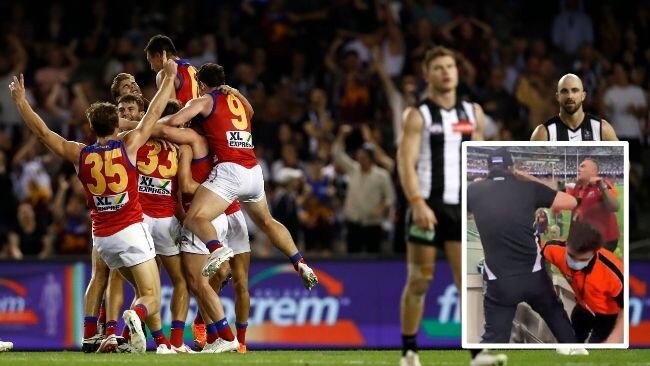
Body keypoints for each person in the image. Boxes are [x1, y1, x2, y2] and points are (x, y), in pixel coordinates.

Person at [8, 51, 177, 354]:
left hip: (102, 238)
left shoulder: (79, 153)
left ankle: (91, 335)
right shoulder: (130, 145)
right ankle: (134, 318)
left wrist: (21, 102)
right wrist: (169, 76)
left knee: (104, 278)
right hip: (131, 230)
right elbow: (153, 114)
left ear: (91, 127)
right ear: (116, 123)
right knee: (150, 295)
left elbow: (44, 132)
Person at [159, 63, 318, 290]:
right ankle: (300, 262)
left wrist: (151, 125)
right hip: (254, 172)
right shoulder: (238, 101)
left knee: (195, 219)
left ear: (201, 84)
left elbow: (175, 121)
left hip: (230, 171)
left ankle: (217, 249)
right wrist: (236, 92)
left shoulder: (204, 100)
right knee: (267, 221)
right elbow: (251, 112)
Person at [397, 46, 487, 366]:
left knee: (470, 283)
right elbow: (405, 162)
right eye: (438, 68)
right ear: (427, 74)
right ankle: (409, 351)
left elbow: (478, 160)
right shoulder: (418, 114)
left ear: (458, 72)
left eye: (450, 66)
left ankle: (478, 353)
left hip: (463, 207)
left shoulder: (473, 113)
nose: (446, 72)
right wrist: (417, 202)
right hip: (428, 207)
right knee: (420, 279)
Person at [99, 94, 192, 354]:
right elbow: (183, 188)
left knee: (127, 280)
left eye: (131, 110)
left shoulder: (132, 139)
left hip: (136, 221)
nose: (127, 114)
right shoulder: (182, 145)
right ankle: (173, 343)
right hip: (164, 221)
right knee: (177, 282)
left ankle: (115, 334)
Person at [468, 148, 578, 344]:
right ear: (511, 167)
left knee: (493, 340)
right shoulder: (529, 188)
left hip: (499, 280)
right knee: (559, 323)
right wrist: (525, 178)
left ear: (487, 168)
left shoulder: (474, 191)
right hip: (534, 276)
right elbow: (570, 202)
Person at [541, 221, 624, 343]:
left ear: (595, 251)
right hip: (582, 307)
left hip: (607, 316)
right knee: (575, 332)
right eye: (571, 255)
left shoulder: (613, 273)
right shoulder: (555, 250)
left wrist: (615, 336)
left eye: (583, 259)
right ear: (567, 243)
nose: (575, 263)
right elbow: (534, 250)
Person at [531, 73, 618, 141]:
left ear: (583, 96)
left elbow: (624, 161)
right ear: (557, 97)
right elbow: (528, 163)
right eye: (564, 91)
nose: (570, 96)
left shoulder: (602, 128)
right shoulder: (543, 133)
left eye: (575, 90)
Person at [566, 158, 620, 251]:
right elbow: (574, 214)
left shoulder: (604, 184)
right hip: (587, 238)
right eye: (579, 166)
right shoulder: (577, 187)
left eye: (583, 166)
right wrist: (570, 237)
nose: (578, 169)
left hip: (605, 240)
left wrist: (602, 187)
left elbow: (614, 207)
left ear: (594, 170)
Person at [145, 34, 199, 106]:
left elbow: (171, 111)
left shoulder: (164, 73)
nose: (151, 67)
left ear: (158, 56)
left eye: (151, 61)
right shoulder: (193, 69)